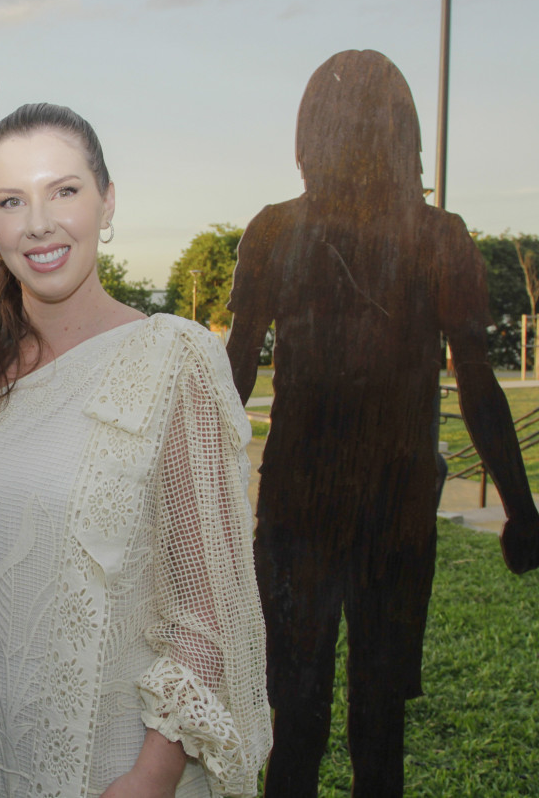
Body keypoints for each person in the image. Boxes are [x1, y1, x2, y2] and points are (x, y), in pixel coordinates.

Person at [0, 103, 271, 798]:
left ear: (107, 201)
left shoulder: (175, 361)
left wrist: (151, 777)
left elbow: (208, 612)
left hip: (110, 769)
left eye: (65, 190)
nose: (39, 222)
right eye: (12, 200)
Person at [226, 50, 539, 797]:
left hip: (305, 505)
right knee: (374, 725)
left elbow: (232, 371)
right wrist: (521, 511)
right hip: (390, 511)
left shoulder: (276, 230)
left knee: (296, 719)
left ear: (309, 133)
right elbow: (477, 385)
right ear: (408, 133)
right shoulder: (437, 235)